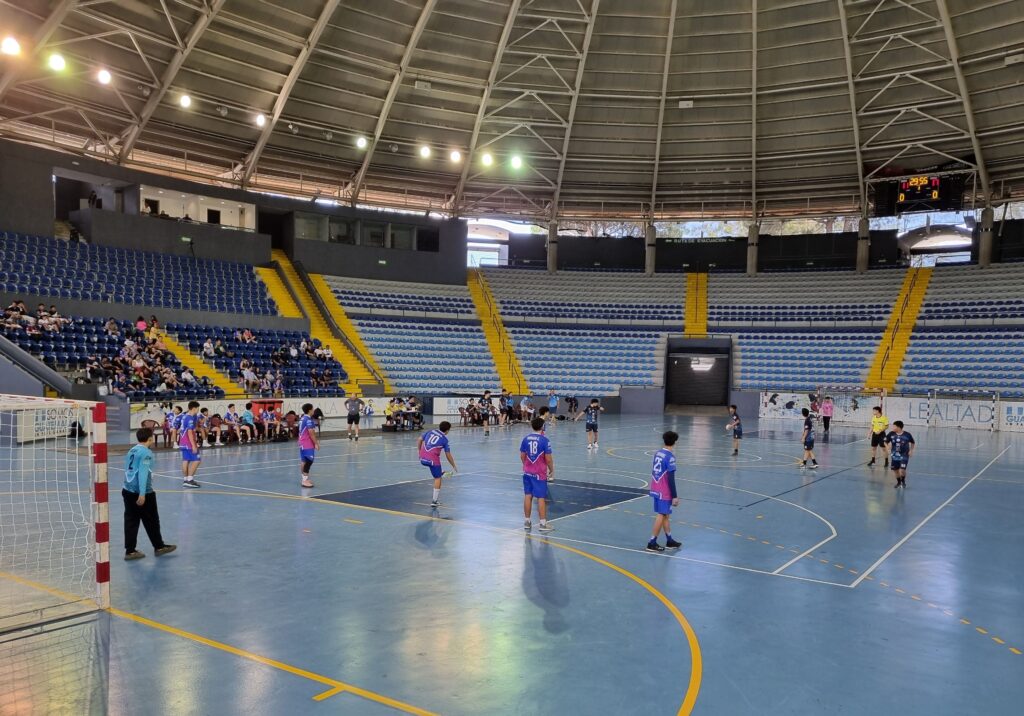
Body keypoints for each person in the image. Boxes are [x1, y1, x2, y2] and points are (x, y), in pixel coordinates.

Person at [122, 428, 176, 560]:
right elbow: (143, 473)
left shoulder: (132, 450)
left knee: (131, 521)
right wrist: (142, 493)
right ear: (150, 439)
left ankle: (130, 551)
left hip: (127, 490)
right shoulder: (146, 453)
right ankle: (159, 546)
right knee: (152, 520)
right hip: (142, 492)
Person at [647, 431, 682, 552]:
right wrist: (675, 496)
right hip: (664, 490)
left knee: (665, 514)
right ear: (674, 442)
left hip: (655, 487)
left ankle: (670, 540)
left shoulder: (658, 453)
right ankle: (652, 542)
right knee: (661, 515)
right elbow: (671, 478)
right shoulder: (670, 456)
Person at [521, 417, 554, 532]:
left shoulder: (525, 439)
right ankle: (543, 524)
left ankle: (527, 521)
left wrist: (527, 466)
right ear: (542, 427)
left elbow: (522, 456)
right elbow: (548, 459)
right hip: (539, 473)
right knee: (541, 498)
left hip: (527, 472)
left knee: (528, 495)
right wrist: (551, 469)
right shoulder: (545, 440)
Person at [419, 421, 458, 508]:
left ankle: (441, 472)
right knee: (437, 478)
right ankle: (434, 501)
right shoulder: (444, 440)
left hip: (422, 459)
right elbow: (448, 455)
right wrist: (453, 465)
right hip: (433, 460)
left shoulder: (430, 431)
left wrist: (419, 451)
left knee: (435, 469)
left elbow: (419, 439)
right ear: (447, 430)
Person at [885, 420, 915, 489]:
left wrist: (911, 450)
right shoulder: (891, 434)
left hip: (904, 454)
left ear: (898, 427)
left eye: (894, 426)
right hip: (895, 455)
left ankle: (903, 481)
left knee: (902, 469)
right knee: (896, 470)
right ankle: (898, 482)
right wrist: (888, 448)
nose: (892, 427)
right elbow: (885, 442)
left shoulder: (907, 434)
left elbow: (913, 442)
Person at [179, 401, 202, 488]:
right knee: (197, 460)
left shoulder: (185, 416)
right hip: (188, 442)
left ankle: (185, 479)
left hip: (182, 441)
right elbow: (189, 433)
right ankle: (189, 480)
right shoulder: (189, 418)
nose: (198, 410)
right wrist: (193, 445)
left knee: (186, 460)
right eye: (197, 408)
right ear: (194, 408)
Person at [298, 403, 319, 488]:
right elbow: (311, 433)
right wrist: (316, 443)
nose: (313, 410)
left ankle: (304, 479)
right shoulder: (308, 420)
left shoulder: (302, 418)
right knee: (309, 461)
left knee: (304, 461)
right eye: (313, 409)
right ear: (310, 410)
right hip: (307, 443)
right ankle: (305, 480)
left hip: (302, 442)